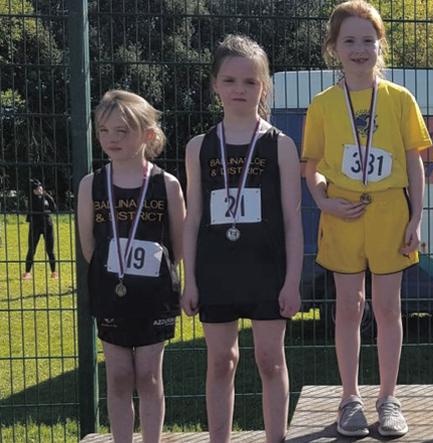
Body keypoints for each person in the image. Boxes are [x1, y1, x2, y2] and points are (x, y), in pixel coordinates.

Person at [302, 0, 431, 437]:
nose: (360, 49)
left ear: (381, 46)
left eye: (368, 41)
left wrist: (416, 218)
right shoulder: (322, 104)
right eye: (349, 40)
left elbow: (415, 163)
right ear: (333, 47)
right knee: (347, 309)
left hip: (390, 213)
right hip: (341, 214)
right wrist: (322, 200)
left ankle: (388, 398)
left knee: (389, 308)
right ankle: (350, 398)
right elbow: (311, 166)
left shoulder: (399, 99)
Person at [181, 34, 302, 443]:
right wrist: (190, 280)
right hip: (216, 271)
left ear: (263, 87)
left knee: (270, 361)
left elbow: (291, 219)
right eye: (230, 80)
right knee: (221, 362)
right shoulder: (198, 147)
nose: (240, 90)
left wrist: (291, 280)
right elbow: (193, 217)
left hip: (267, 271)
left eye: (250, 82)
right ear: (215, 84)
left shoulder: (281, 146)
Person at [77, 89, 185, 443]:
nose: (111, 139)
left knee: (149, 376)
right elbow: (90, 245)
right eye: (104, 131)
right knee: (119, 375)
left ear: (147, 135)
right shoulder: (91, 185)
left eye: (122, 131)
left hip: (154, 295)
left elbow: (178, 245)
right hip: (112, 292)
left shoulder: (167, 185)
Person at [23, 179, 58, 279]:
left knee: (50, 250)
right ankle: (27, 273)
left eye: (41, 187)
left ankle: (54, 272)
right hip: (35, 226)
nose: (40, 189)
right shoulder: (31, 199)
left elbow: (54, 208)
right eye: (38, 188)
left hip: (47, 225)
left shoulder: (45, 197)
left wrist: (47, 196)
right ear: (33, 191)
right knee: (32, 249)